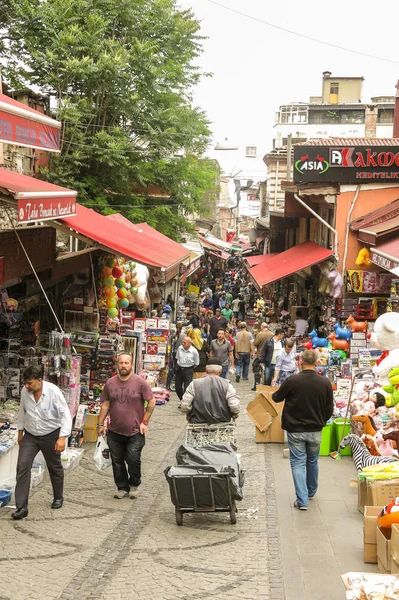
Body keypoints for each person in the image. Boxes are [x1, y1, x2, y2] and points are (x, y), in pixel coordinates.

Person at [272, 350, 333, 510]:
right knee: (312, 460)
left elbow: (277, 397)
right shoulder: (325, 382)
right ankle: (311, 492)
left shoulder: (293, 380)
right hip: (315, 429)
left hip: (295, 428)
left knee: (298, 462)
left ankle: (302, 500)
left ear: (300, 362)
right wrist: (321, 420)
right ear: (317, 362)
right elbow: (329, 408)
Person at [12, 366, 72, 520]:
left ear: (39, 380)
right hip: (31, 435)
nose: (26, 386)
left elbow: (65, 415)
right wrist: (20, 432)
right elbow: (22, 411)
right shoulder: (26, 392)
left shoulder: (54, 392)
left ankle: (58, 497)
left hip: (51, 434)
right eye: (25, 383)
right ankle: (21, 507)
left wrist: (62, 437)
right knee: (22, 467)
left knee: (54, 467)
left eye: (29, 383)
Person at [98, 354, 155, 499]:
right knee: (117, 461)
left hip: (135, 430)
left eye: (126, 363)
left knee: (133, 458)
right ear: (117, 364)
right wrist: (100, 423)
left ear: (131, 364)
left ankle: (134, 484)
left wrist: (145, 421)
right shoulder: (110, 383)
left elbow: (151, 402)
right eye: (121, 363)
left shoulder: (140, 382)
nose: (123, 365)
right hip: (114, 430)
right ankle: (122, 487)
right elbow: (105, 404)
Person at [181, 358, 240, 423]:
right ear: (220, 371)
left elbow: (185, 405)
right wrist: (235, 413)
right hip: (222, 421)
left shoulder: (194, 384)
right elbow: (234, 406)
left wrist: (187, 412)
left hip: (198, 420)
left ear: (206, 370)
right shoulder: (227, 385)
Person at [175, 337, 199, 407]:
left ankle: (186, 403)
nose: (183, 343)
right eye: (183, 342)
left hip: (188, 370)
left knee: (187, 388)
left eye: (185, 342)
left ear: (189, 343)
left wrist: (189, 368)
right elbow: (177, 358)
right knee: (178, 387)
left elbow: (196, 363)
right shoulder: (180, 348)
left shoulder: (194, 351)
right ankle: (183, 400)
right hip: (179, 369)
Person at [252, 323, 274, 391]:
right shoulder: (272, 334)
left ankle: (257, 386)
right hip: (270, 356)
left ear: (262, 327)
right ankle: (268, 386)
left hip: (260, 355)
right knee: (269, 371)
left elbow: (255, 343)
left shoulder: (261, 334)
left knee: (257, 371)